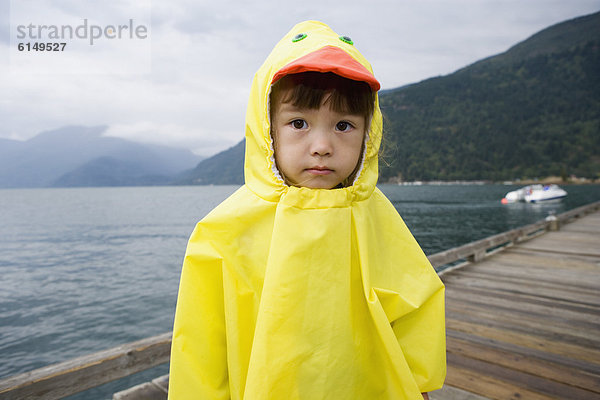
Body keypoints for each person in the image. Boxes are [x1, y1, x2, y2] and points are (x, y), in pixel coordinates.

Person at [168, 20, 446, 400]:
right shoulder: (223, 231)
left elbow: (417, 307)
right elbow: (199, 346)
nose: (321, 145)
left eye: (344, 125)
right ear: (268, 128)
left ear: (369, 133)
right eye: (299, 123)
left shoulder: (376, 217)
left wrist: (418, 384)